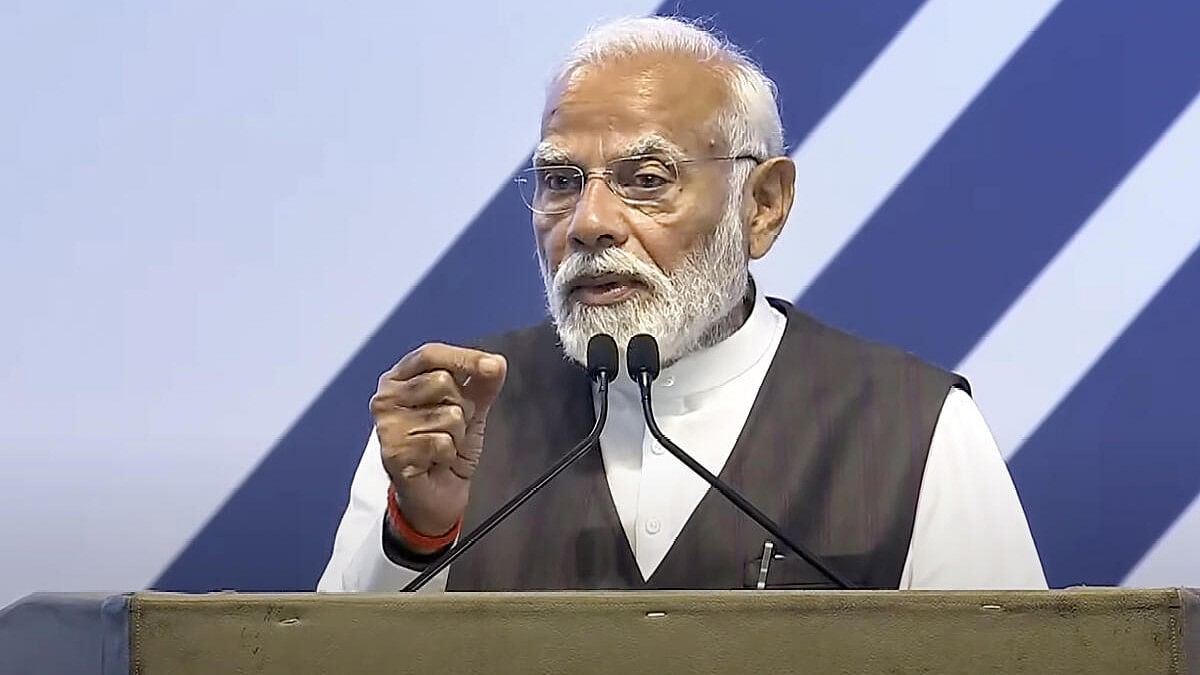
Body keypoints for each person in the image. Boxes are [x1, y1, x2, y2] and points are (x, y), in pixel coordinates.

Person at [318, 16, 1046, 592]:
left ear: (762, 205)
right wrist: (419, 533)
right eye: (561, 180)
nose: (588, 222)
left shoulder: (914, 430)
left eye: (647, 177)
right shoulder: (451, 420)